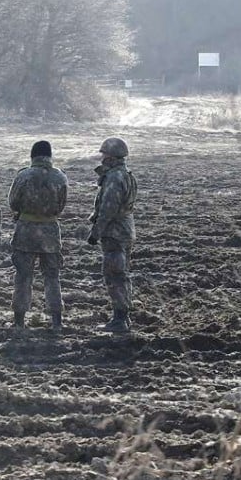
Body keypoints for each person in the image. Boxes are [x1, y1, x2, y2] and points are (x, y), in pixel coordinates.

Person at [8, 140, 68, 332]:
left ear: (32, 156)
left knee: (23, 276)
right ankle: (56, 321)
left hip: (26, 231)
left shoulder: (24, 175)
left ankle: (19, 321)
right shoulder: (60, 177)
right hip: (50, 231)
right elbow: (61, 205)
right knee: (52, 277)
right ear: (50, 156)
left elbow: (13, 202)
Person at [87, 137, 138, 333]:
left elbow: (108, 209)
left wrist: (95, 232)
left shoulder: (115, 177)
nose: (102, 158)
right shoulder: (125, 174)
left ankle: (119, 319)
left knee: (114, 274)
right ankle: (123, 317)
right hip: (125, 229)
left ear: (111, 156)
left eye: (104, 154)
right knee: (122, 273)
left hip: (115, 232)